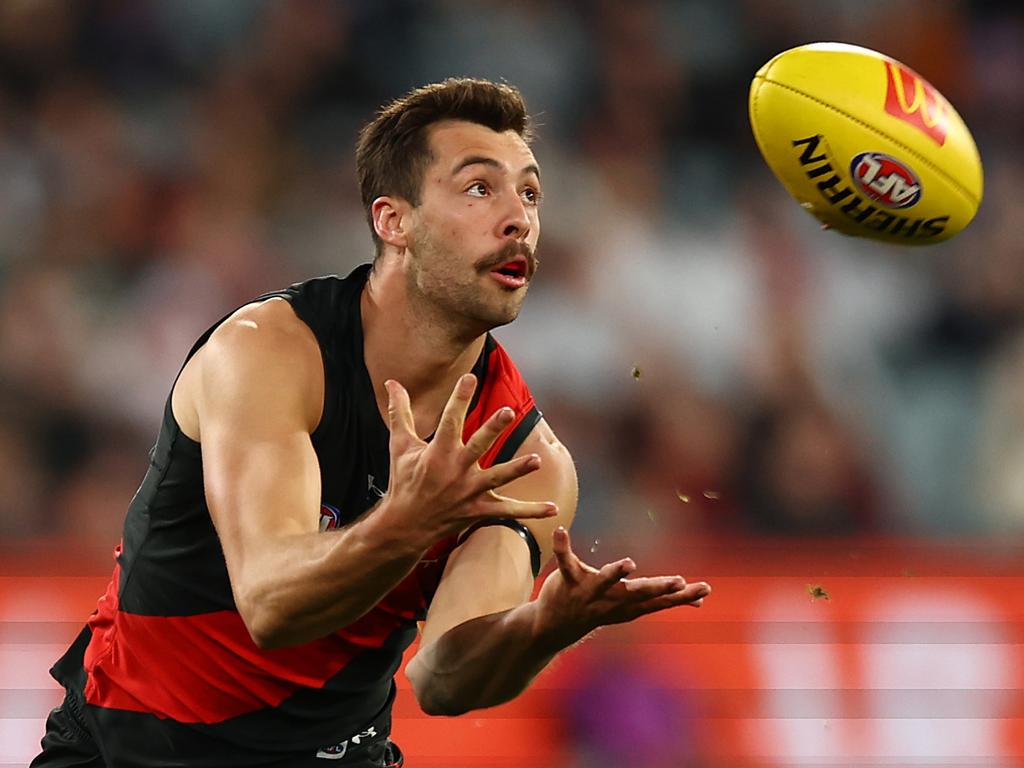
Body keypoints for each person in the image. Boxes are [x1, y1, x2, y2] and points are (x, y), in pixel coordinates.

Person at [32, 78, 712, 768]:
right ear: (394, 221)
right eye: (480, 188)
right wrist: (409, 522)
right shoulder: (268, 353)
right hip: (133, 744)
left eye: (531, 194)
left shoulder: (525, 458)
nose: (519, 219)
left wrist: (542, 628)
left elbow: (444, 678)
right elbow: (271, 605)